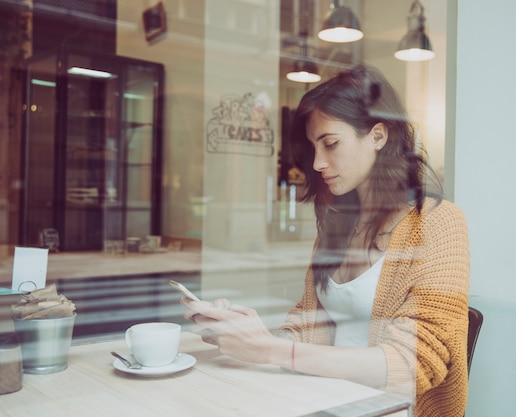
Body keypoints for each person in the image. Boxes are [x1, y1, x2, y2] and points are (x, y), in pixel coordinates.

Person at [182, 64, 470, 417]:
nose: (318, 162)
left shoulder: (438, 223)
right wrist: (247, 333)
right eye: (313, 147)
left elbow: (415, 362)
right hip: (325, 400)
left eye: (331, 143)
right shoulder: (337, 223)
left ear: (378, 136)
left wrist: (271, 351)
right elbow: (310, 323)